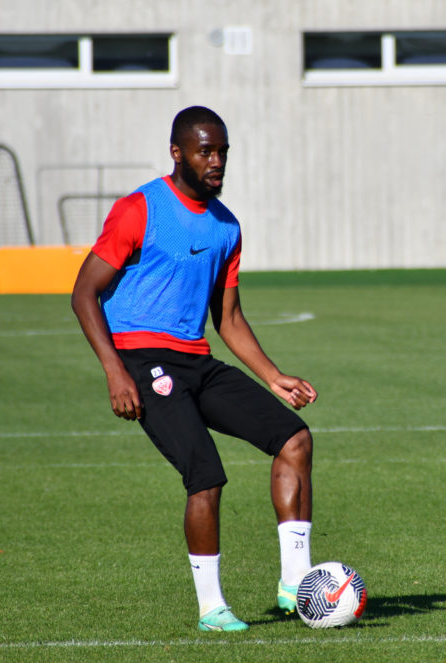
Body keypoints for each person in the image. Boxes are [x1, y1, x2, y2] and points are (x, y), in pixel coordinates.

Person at [71, 106, 318, 632]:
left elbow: (228, 318)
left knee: (295, 439)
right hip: (142, 361)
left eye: (222, 151)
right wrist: (115, 372)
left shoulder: (226, 226)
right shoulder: (139, 209)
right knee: (205, 475)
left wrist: (273, 376)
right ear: (177, 153)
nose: (217, 161)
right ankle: (212, 609)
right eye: (206, 151)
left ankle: (295, 583)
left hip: (197, 360)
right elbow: (83, 293)